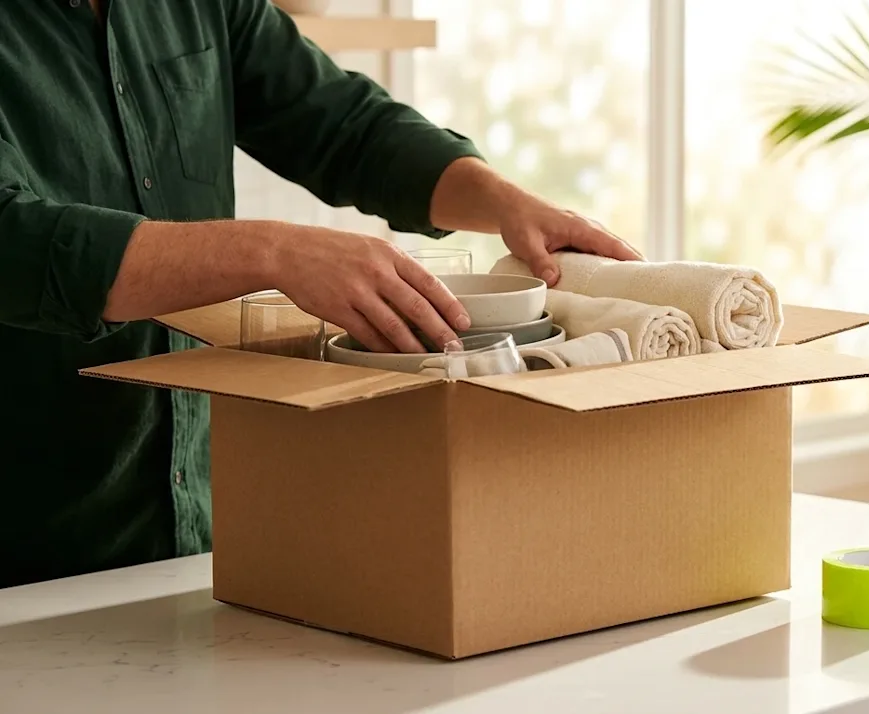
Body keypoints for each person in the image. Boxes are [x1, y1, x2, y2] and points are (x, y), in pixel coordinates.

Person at [0, 0, 642, 589]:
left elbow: (345, 126)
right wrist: (273, 253)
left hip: (199, 536)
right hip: (30, 545)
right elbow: (14, 242)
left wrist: (503, 202)